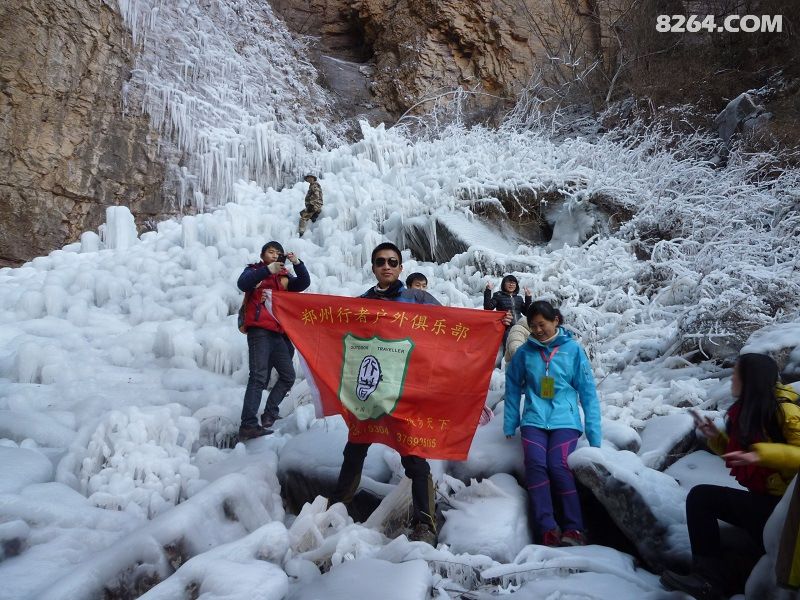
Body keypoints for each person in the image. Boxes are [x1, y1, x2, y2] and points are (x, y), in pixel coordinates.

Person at [661, 354, 800, 599]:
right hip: (763, 501)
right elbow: (740, 457)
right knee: (702, 497)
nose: (732, 379)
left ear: (751, 379)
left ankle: (708, 581)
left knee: (702, 498)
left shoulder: (785, 409)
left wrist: (761, 454)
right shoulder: (749, 409)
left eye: (737, 374)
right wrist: (716, 437)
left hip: (785, 512)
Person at [330, 242, 441, 545]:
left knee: (414, 458)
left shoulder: (416, 297)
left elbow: (448, 326)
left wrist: (496, 322)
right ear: (373, 267)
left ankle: (425, 523)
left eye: (393, 261)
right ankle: (335, 512)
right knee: (354, 451)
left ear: (401, 267)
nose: (387, 266)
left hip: (404, 393)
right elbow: (336, 330)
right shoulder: (362, 302)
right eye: (381, 262)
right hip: (369, 393)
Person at [504, 300, 602, 547]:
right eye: (532, 326)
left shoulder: (573, 350)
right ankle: (547, 528)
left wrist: (594, 433)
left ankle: (574, 528)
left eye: (542, 324)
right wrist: (510, 422)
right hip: (534, 419)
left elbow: (588, 392)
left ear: (555, 321)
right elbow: (513, 385)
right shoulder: (525, 352)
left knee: (557, 464)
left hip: (565, 420)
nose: (537, 330)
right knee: (536, 464)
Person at [237, 241, 310, 439]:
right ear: (263, 255)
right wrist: (266, 270)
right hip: (259, 331)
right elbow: (242, 284)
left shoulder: (284, 278)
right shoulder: (254, 271)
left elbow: (304, 283)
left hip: (278, 333)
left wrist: (298, 263)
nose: (275, 255)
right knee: (259, 377)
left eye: (278, 253)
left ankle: (270, 413)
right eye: (271, 252)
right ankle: (248, 424)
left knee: (288, 376)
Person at [484, 275, 532, 354]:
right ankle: (506, 365)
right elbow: (488, 308)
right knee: (509, 349)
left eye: (514, 283)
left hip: (520, 327)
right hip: (506, 327)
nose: (511, 284)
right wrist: (488, 291)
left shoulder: (519, 298)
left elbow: (526, 313)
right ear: (503, 284)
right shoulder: (498, 295)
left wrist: (528, 298)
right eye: (509, 282)